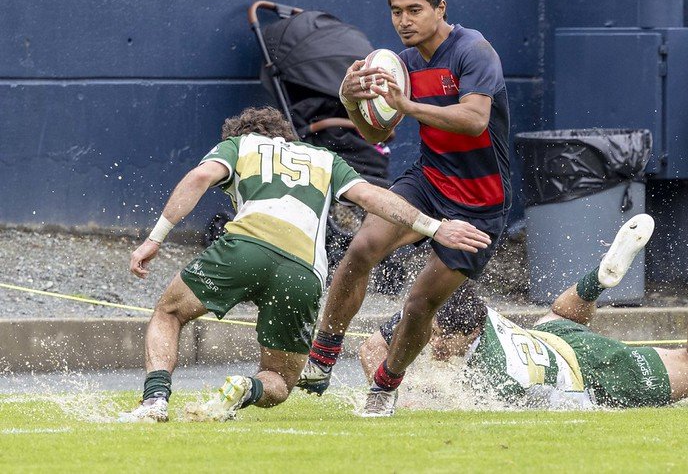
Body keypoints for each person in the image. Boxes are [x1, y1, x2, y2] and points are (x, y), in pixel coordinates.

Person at [118, 106, 491, 422]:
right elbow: (372, 197)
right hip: (304, 273)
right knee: (280, 380)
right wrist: (434, 226)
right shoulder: (326, 159)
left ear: (241, 135)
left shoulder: (239, 145)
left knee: (169, 312)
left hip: (245, 248)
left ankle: (154, 400)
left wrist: (155, 239)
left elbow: (200, 176)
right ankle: (248, 388)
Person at [297, 0, 512, 416]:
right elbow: (377, 129)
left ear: (440, 8)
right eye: (396, 12)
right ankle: (322, 355)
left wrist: (409, 105)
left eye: (415, 10)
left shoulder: (474, 50)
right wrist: (353, 100)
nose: (404, 21)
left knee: (419, 303)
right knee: (361, 247)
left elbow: (474, 119)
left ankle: (385, 386)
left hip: (481, 202)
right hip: (428, 180)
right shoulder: (402, 63)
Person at [357, 212, 688, 410]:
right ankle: (599, 279)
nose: (435, 347)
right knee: (559, 316)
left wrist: (402, 396)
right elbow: (369, 350)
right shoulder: (436, 312)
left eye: (443, 342)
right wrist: (389, 385)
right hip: (552, 335)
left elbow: (448, 400)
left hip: (594, 371)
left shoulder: (494, 379)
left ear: (468, 333)